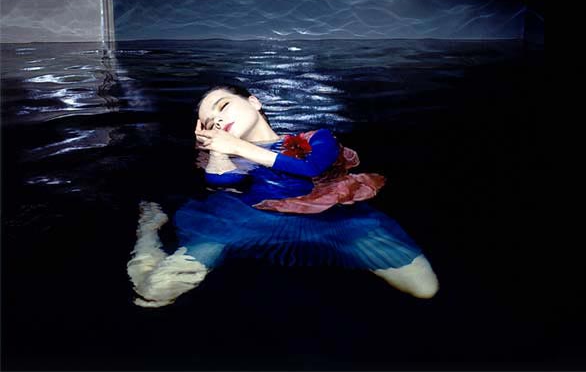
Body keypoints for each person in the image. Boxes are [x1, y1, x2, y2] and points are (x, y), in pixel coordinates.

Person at [127, 84, 439, 307]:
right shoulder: (227, 157)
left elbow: (311, 167)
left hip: (332, 219)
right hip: (246, 220)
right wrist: (218, 150)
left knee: (425, 288)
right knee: (153, 293)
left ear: (254, 102)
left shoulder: (317, 137)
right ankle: (149, 229)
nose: (218, 120)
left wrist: (237, 146)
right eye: (211, 122)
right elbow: (221, 183)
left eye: (223, 106)